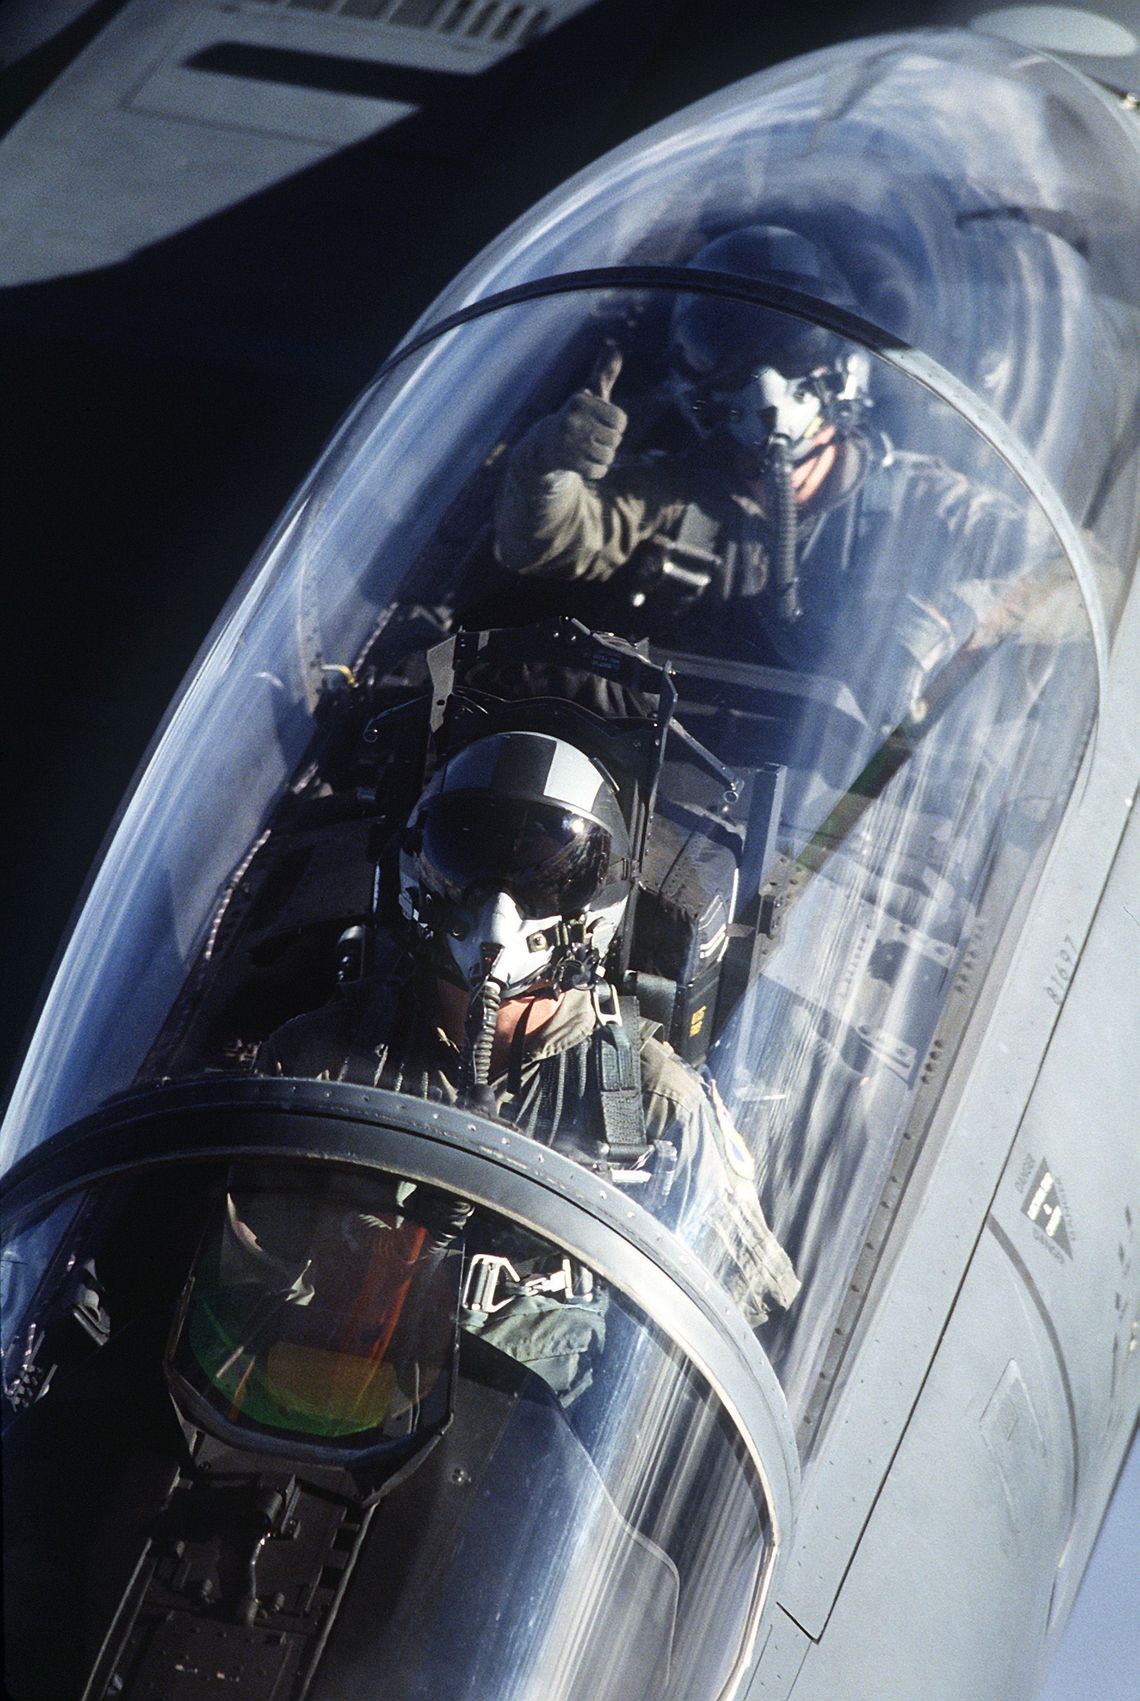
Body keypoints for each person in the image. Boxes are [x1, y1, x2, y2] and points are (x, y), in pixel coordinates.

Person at [256, 727, 799, 1402]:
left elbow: (748, 1336)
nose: (500, 909)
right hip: (323, 1399)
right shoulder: (320, 1061)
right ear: (424, 875)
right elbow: (239, 1266)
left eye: (545, 880)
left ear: (594, 902)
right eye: (470, 865)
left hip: (531, 1450)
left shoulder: (650, 1105)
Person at [493, 223, 1032, 718]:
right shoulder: (678, 493)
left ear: (843, 364)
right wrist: (548, 467)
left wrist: (952, 620)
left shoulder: (921, 497)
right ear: (697, 382)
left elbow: (1078, 579)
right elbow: (546, 540)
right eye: (729, 354)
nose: (766, 385)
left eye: (795, 347)